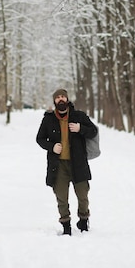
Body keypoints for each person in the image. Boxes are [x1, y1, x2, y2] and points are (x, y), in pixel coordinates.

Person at [36, 88, 98, 235]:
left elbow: (93, 131)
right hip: (58, 166)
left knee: (83, 194)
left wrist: (80, 128)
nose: (61, 99)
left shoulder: (79, 116)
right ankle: (66, 226)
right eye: (58, 98)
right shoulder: (48, 119)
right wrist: (52, 146)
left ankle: (83, 221)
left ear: (68, 99)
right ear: (54, 101)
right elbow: (39, 139)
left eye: (63, 96)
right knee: (61, 197)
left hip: (78, 163)